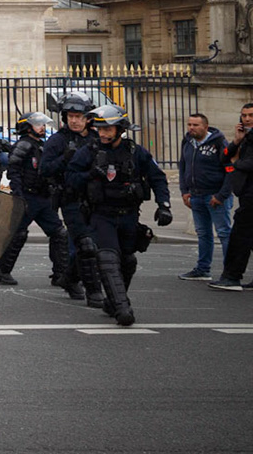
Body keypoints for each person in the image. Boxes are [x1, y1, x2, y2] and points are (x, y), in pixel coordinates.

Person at [66, 104, 171, 328]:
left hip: (129, 215)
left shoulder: (136, 152)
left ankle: (112, 301)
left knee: (127, 260)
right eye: (100, 129)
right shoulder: (89, 152)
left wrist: (164, 205)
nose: (102, 133)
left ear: (120, 129)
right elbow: (70, 179)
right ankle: (123, 308)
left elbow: (157, 178)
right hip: (101, 214)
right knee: (107, 258)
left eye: (108, 129)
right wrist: (90, 174)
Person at [40, 91, 102, 305]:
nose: (75, 120)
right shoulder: (57, 141)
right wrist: (64, 159)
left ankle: (69, 277)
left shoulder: (96, 138)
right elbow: (44, 170)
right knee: (85, 244)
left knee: (96, 245)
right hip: (71, 198)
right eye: (71, 116)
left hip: (96, 199)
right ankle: (94, 293)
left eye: (79, 116)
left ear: (88, 117)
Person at [0, 112, 68, 287]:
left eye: (43, 124)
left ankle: (60, 274)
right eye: (38, 124)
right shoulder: (24, 145)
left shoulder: (41, 145)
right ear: (28, 127)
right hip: (27, 196)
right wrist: (19, 195)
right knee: (18, 235)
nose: (42, 127)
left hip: (43, 197)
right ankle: (3, 271)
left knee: (59, 233)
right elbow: (13, 170)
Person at [178, 112, 233, 281]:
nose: (191, 128)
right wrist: (184, 191)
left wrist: (221, 195)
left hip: (215, 196)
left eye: (195, 125)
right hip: (195, 195)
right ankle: (202, 269)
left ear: (205, 127)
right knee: (203, 234)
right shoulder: (187, 142)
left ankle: (230, 272)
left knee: (223, 233)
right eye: (189, 125)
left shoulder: (219, 143)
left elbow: (230, 170)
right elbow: (183, 166)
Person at [207, 102, 253, 292]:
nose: (247, 119)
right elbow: (224, 158)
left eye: (251, 115)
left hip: (251, 195)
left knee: (239, 236)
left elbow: (246, 163)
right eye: (244, 115)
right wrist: (236, 141)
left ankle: (232, 276)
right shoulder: (246, 138)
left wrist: (235, 165)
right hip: (246, 192)